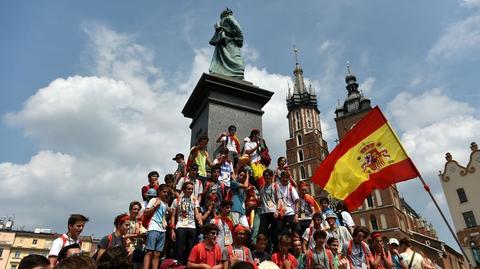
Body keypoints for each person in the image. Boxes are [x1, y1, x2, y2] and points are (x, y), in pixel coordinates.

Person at [171, 181, 203, 264]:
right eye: (188, 189)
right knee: (179, 247)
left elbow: (196, 213)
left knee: (190, 248)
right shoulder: (177, 200)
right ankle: (178, 263)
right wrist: (172, 229)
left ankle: (188, 264)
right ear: (183, 190)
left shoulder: (194, 200)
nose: (191, 191)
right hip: (181, 225)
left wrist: (199, 219)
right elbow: (173, 216)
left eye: (192, 189)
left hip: (191, 226)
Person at [209, 8, 245, 79]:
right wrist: (240, 39)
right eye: (230, 13)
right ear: (227, 13)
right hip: (231, 42)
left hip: (222, 43)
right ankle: (237, 74)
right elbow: (237, 27)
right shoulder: (229, 18)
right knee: (238, 61)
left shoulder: (218, 23)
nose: (231, 14)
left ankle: (227, 74)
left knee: (221, 61)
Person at [143, 184, 169, 269]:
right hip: (153, 227)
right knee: (150, 251)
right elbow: (146, 212)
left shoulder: (165, 204)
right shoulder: (154, 200)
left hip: (162, 229)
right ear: (159, 192)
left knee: (157, 253)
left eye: (167, 192)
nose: (166, 194)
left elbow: (163, 216)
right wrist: (155, 205)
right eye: (164, 192)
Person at [258, 169, 281, 251]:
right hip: (264, 212)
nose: (267, 177)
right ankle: (266, 251)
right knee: (262, 233)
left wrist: (277, 210)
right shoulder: (262, 188)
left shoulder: (275, 186)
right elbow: (260, 200)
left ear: (271, 176)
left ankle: (276, 251)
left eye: (268, 175)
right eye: (265, 176)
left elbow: (279, 199)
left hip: (273, 211)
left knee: (275, 233)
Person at [277, 171, 300, 236]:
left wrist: (296, 214)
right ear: (280, 178)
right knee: (280, 234)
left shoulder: (291, 188)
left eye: (286, 178)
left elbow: (297, 201)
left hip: (291, 213)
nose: (284, 179)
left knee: (295, 233)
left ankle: (297, 245)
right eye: (283, 177)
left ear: (288, 179)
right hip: (281, 214)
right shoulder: (278, 188)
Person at [125, 201, 145, 269]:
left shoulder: (139, 222)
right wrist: (137, 235)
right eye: (134, 209)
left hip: (137, 250)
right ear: (130, 210)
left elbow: (143, 234)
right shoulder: (124, 220)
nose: (136, 211)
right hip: (126, 249)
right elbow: (122, 236)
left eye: (138, 209)